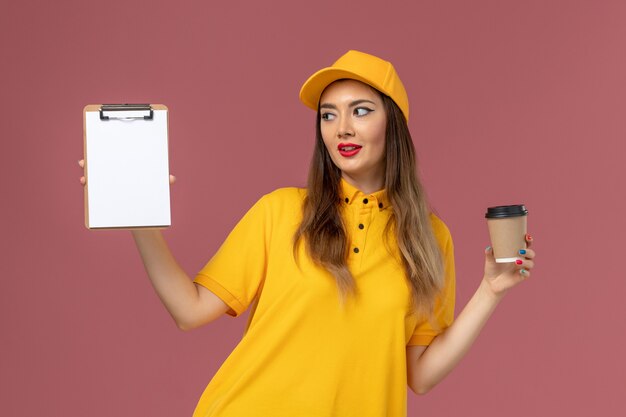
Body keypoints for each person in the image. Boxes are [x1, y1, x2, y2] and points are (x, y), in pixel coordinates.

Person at [79, 50, 536, 417]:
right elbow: (189, 310)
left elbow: (419, 375)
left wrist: (491, 292)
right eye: (328, 115)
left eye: (360, 111)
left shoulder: (430, 239)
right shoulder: (280, 212)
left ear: (393, 123)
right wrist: (139, 216)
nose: (343, 129)